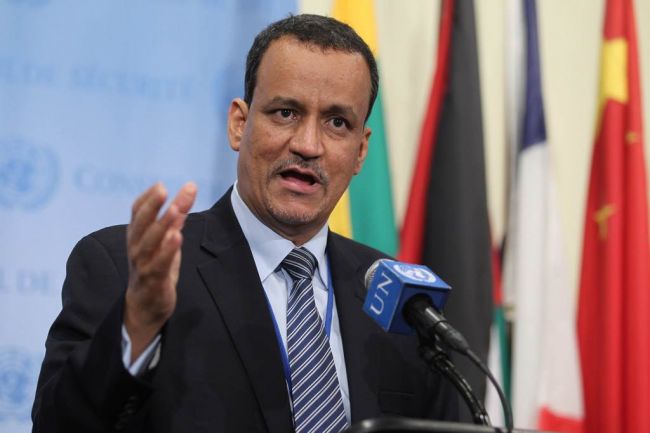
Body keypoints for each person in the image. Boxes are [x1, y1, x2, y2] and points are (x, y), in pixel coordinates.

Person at [32, 14, 458, 433]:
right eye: (286, 112)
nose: (308, 145)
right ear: (239, 124)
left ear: (361, 150)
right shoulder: (128, 270)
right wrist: (138, 324)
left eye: (337, 123)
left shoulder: (402, 302)